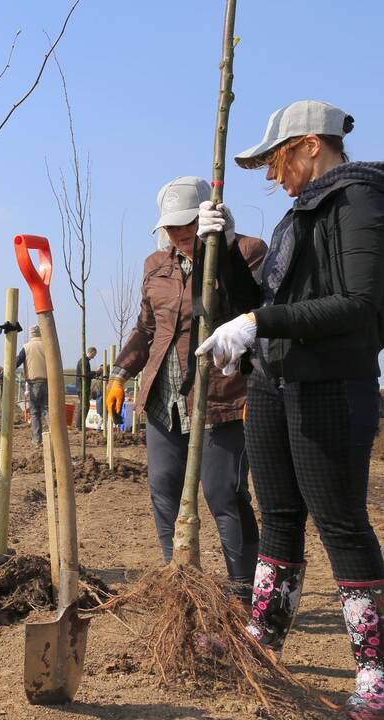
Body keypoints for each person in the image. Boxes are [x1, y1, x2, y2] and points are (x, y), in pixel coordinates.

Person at [196, 101, 384, 716]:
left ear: (309, 145)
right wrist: (220, 250)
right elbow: (264, 298)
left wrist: (257, 320)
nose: (273, 177)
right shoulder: (294, 218)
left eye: (277, 161)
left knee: (341, 523)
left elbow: (356, 304)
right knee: (277, 513)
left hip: (331, 386)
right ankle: (265, 634)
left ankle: (374, 668)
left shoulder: (360, 202)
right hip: (276, 386)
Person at [106, 176, 262, 604]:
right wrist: (120, 373)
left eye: (188, 223)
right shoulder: (155, 264)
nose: (180, 233)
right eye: (172, 226)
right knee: (163, 487)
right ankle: (179, 582)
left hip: (220, 396)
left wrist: (224, 247)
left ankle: (242, 595)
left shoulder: (246, 252)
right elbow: (147, 328)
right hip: (164, 398)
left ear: (206, 215)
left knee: (224, 493)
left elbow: (251, 310)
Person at [20, 325, 47, 444]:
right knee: (47, 410)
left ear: (31, 334)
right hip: (47, 382)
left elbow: (16, 361)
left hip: (34, 383)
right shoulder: (47, 345)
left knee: (35, 412)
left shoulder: (26, 347)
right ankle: (54, 438)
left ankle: (37, 440)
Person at [76, 347, 99, 429]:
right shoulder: (84, 361)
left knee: (85, 405)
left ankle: (80, 424)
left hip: (83, 387)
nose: (94, 356)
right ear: (91, 352)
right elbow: (85, 375)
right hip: (82, 387)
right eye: (94, 354)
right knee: (84, 406)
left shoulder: (85, 361)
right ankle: (79, 425)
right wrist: (95, 372)